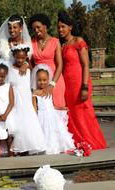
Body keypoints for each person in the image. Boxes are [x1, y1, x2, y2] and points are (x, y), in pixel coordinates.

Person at [57, 11, 106, 150]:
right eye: (59, 27)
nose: (60, 30)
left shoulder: (79, 41)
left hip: (80, 84)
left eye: (63, 27)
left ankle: (92, 142)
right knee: (72, 114)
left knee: (84, 113)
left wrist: (84, 87)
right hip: (68, 86)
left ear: (70, 27)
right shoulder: (62, 45)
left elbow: (86, 65)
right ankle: (78, 142)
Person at [8, 45, 46, 155]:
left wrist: (25, 64)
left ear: (26, 58)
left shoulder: (28, 69)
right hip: (15, 100)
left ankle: (26, 149)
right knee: (15, 126)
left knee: (27, 124)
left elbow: (30, 85)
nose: (20, 60)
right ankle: (13, 151)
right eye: (18, 58)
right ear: (14, 56)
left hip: (26, 100)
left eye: (23, 58)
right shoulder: (11, 69)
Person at [32, 65, 75, 154]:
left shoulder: (49, 92)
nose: (42, 82)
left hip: (51, 116)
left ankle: (55, 147)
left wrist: (60, 108)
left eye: (44, 80)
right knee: (45, 133)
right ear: (36, 80)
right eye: (39, 80)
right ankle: (44, 148)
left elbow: (52, 105)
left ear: (48, 80)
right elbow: (34, 107)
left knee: (54, 132)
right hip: (41, 117)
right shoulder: (35, 93)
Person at [29, 13, 65, 108]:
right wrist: (34, 74)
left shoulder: (55, 42)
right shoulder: (31, 42)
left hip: (55, 80)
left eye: (38, 27)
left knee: (56, 107)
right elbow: (28, 61)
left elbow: (60, 65)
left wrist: (52, 84)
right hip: (38, 81)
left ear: (45, 26)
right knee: (39, 109)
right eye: (34, 29)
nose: (36, 30)